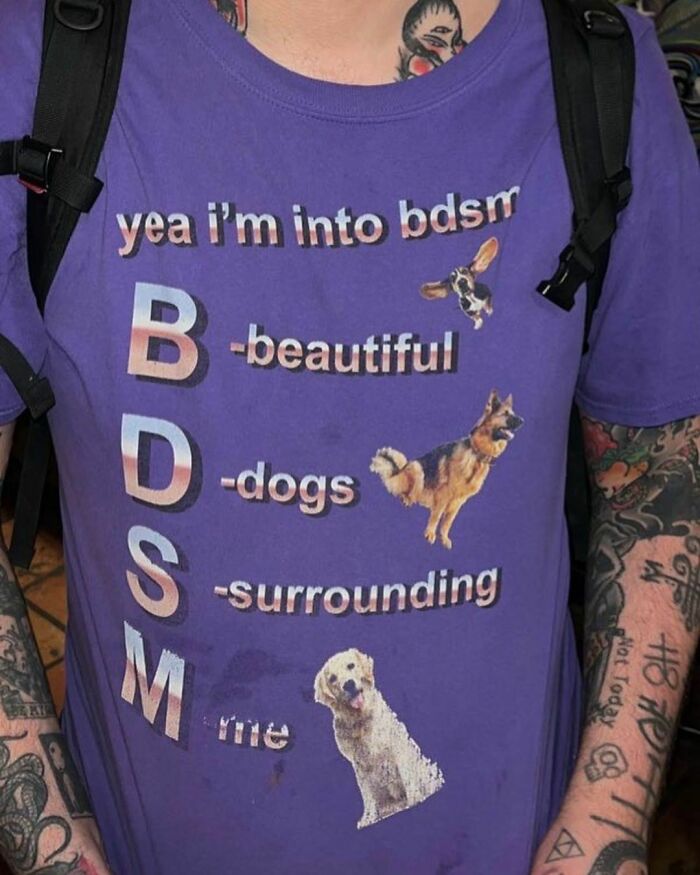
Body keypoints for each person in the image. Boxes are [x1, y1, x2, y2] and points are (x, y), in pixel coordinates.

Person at [0, 0, 698, 872]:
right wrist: (55, 849)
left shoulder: (602, 73)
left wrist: (604, 821)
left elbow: (659, 476)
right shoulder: (41, 56)